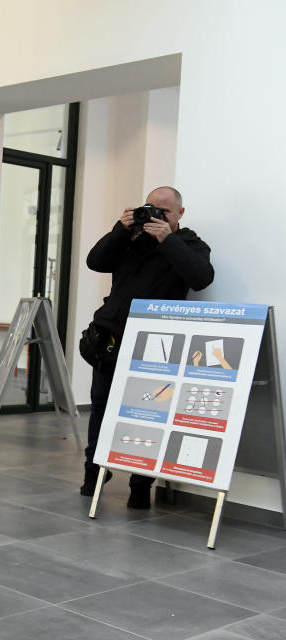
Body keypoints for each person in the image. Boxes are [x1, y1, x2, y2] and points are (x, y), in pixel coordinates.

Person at [79, 186, 214, 508]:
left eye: (164, 212)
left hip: (157, 345)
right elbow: (95, 262)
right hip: (111, 338)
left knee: (148, 415)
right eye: (150, 208)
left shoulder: (190, 244)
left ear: (180, 214)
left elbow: (201, 278)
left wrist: (167, 239)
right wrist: (121, 229)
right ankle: (94, 471)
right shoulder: (132, 240)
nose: (156, 215)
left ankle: (141, 484)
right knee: (101, 407)